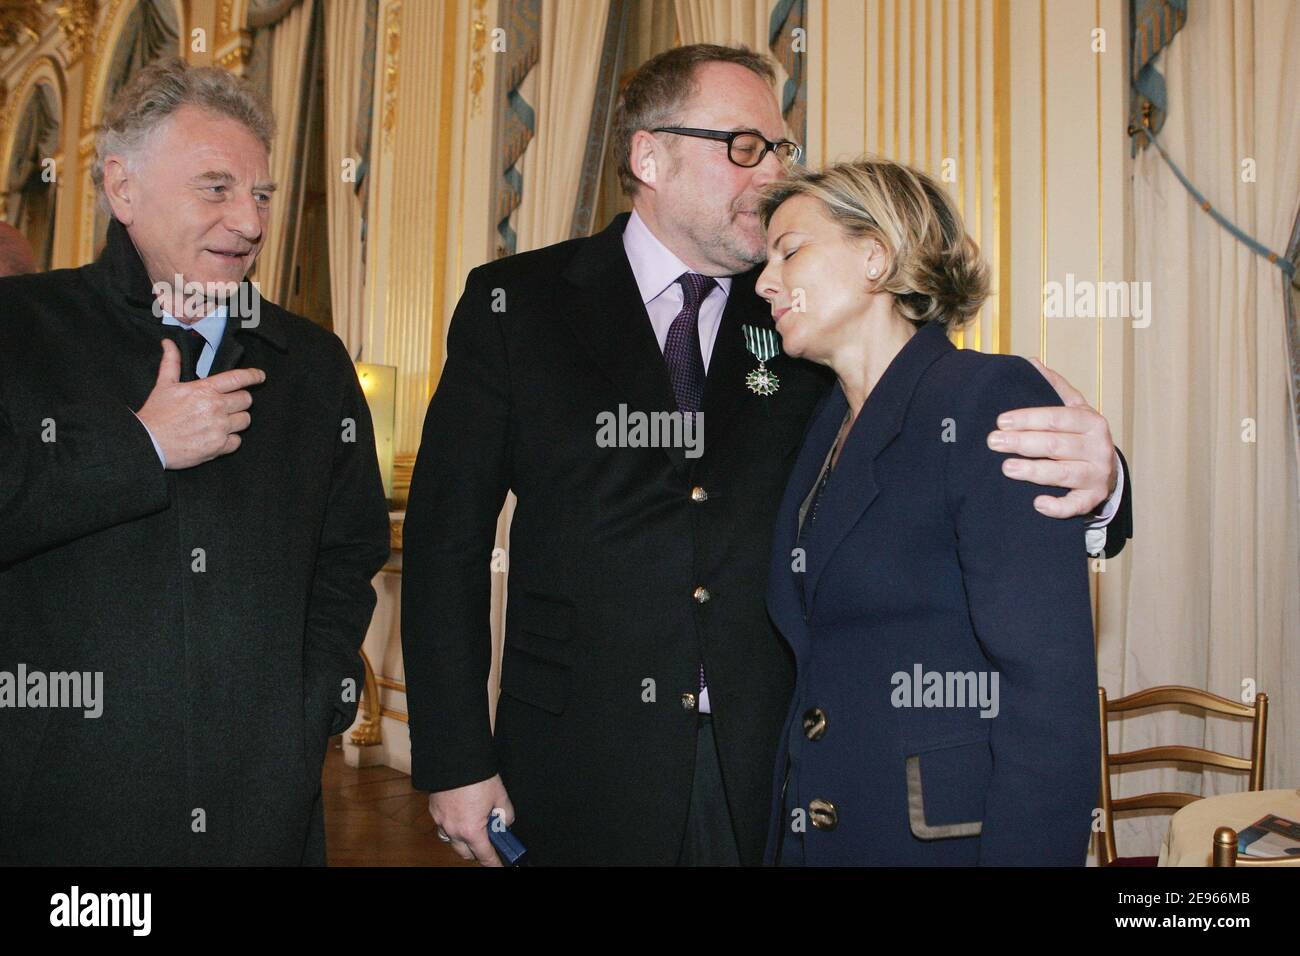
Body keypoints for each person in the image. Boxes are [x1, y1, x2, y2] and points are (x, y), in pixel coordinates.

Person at [401, 43, 1129, 867]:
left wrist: (1103, 481)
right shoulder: (516, 303)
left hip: (777, 763)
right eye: (745, 147)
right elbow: (444, 543)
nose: (772, 172)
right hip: (580, 755)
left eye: (782, 150)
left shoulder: (804, 309)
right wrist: (458, 759)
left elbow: (938, 420)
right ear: (651, 156)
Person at [0, 58, 389, 865]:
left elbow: (348, 555)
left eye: (262, 196)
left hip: (261, 810)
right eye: (216, 188)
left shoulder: (313, 364)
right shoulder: (18, 330)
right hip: (61, 808)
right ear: (123, 189)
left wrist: (307, 703)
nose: (248, 222)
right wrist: (138, 446)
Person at [758, 158, 1098, 866]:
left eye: (789, 250)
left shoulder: (984, 396)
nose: (764, 281)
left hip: (939, 843)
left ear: (875, 257)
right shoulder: (822, 429)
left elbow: (1047, 692)